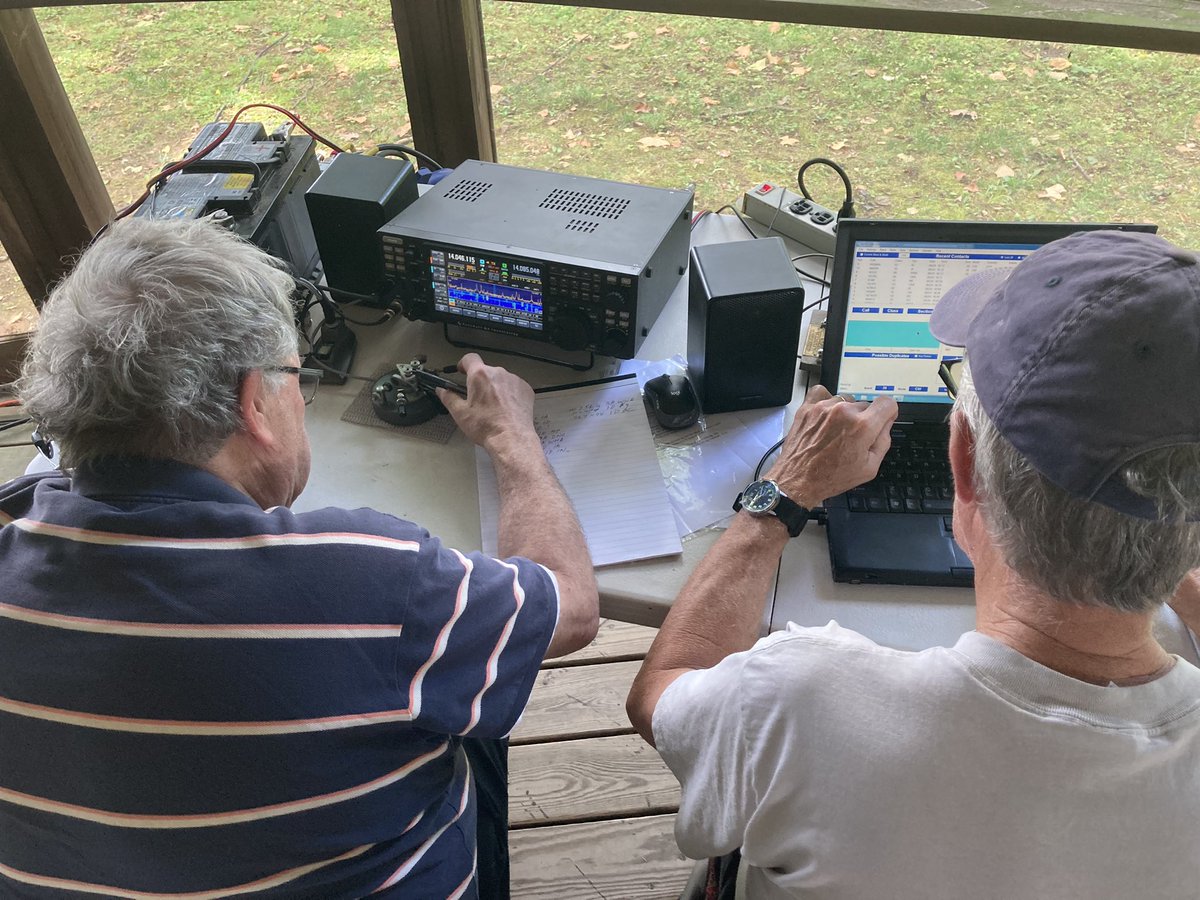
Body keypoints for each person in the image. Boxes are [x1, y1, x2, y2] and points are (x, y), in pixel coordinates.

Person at [0, 216, 599, 898]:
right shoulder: (371, 579)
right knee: (472, 671)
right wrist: (512, 438)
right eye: (296, 376)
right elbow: (569, 604)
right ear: (254, 401)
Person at [627, 229, 1200, 899]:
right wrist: (1152, 545)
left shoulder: (804, 699)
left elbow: (662, 693)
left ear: (965, 463)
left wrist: (779, 497)